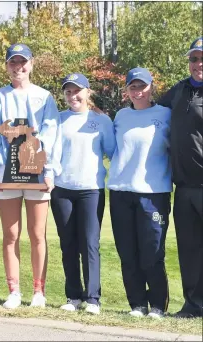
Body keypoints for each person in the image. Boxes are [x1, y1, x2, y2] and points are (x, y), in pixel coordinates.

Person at [0, 43, 58, 309]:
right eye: (13, 62)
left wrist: (49, 171)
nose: (18, 67)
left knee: (38, 235)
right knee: (10, 235)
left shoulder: (45, 97)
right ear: (7, 66)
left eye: (23, 62)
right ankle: (14, 291)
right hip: (6, 173)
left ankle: (39, 291)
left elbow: (51, 135)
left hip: (36, 173)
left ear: (31, 64)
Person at [108, 67, 172, 319]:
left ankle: (157, 304)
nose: (138, 91)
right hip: (121, 191)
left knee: (152, 252)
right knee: (128, 252)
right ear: (127, 91)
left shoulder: (165, 115)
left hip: (153, 193)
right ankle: (137, 304)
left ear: (151, 87)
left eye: (142, 86)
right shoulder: (121, 116)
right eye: (133, 87)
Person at [49, 73, 115, 315]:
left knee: (89, 243)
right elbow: (52, 154)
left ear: (88, 92)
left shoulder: (102, 120)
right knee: (68, 244)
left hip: (91, 190)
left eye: (77, 91)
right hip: (62, 189)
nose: (73, 96)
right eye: (68, 92)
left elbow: (111, 152)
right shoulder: (58, 119)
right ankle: (73, 295)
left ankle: (93, 298)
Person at [158, 37, 203, 319]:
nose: (198, 64)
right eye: (194, 59)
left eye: (202, 59)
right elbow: (150, 112)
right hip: (184, 186)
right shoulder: (179, 90)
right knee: (189, 249)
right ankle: (193, 304)